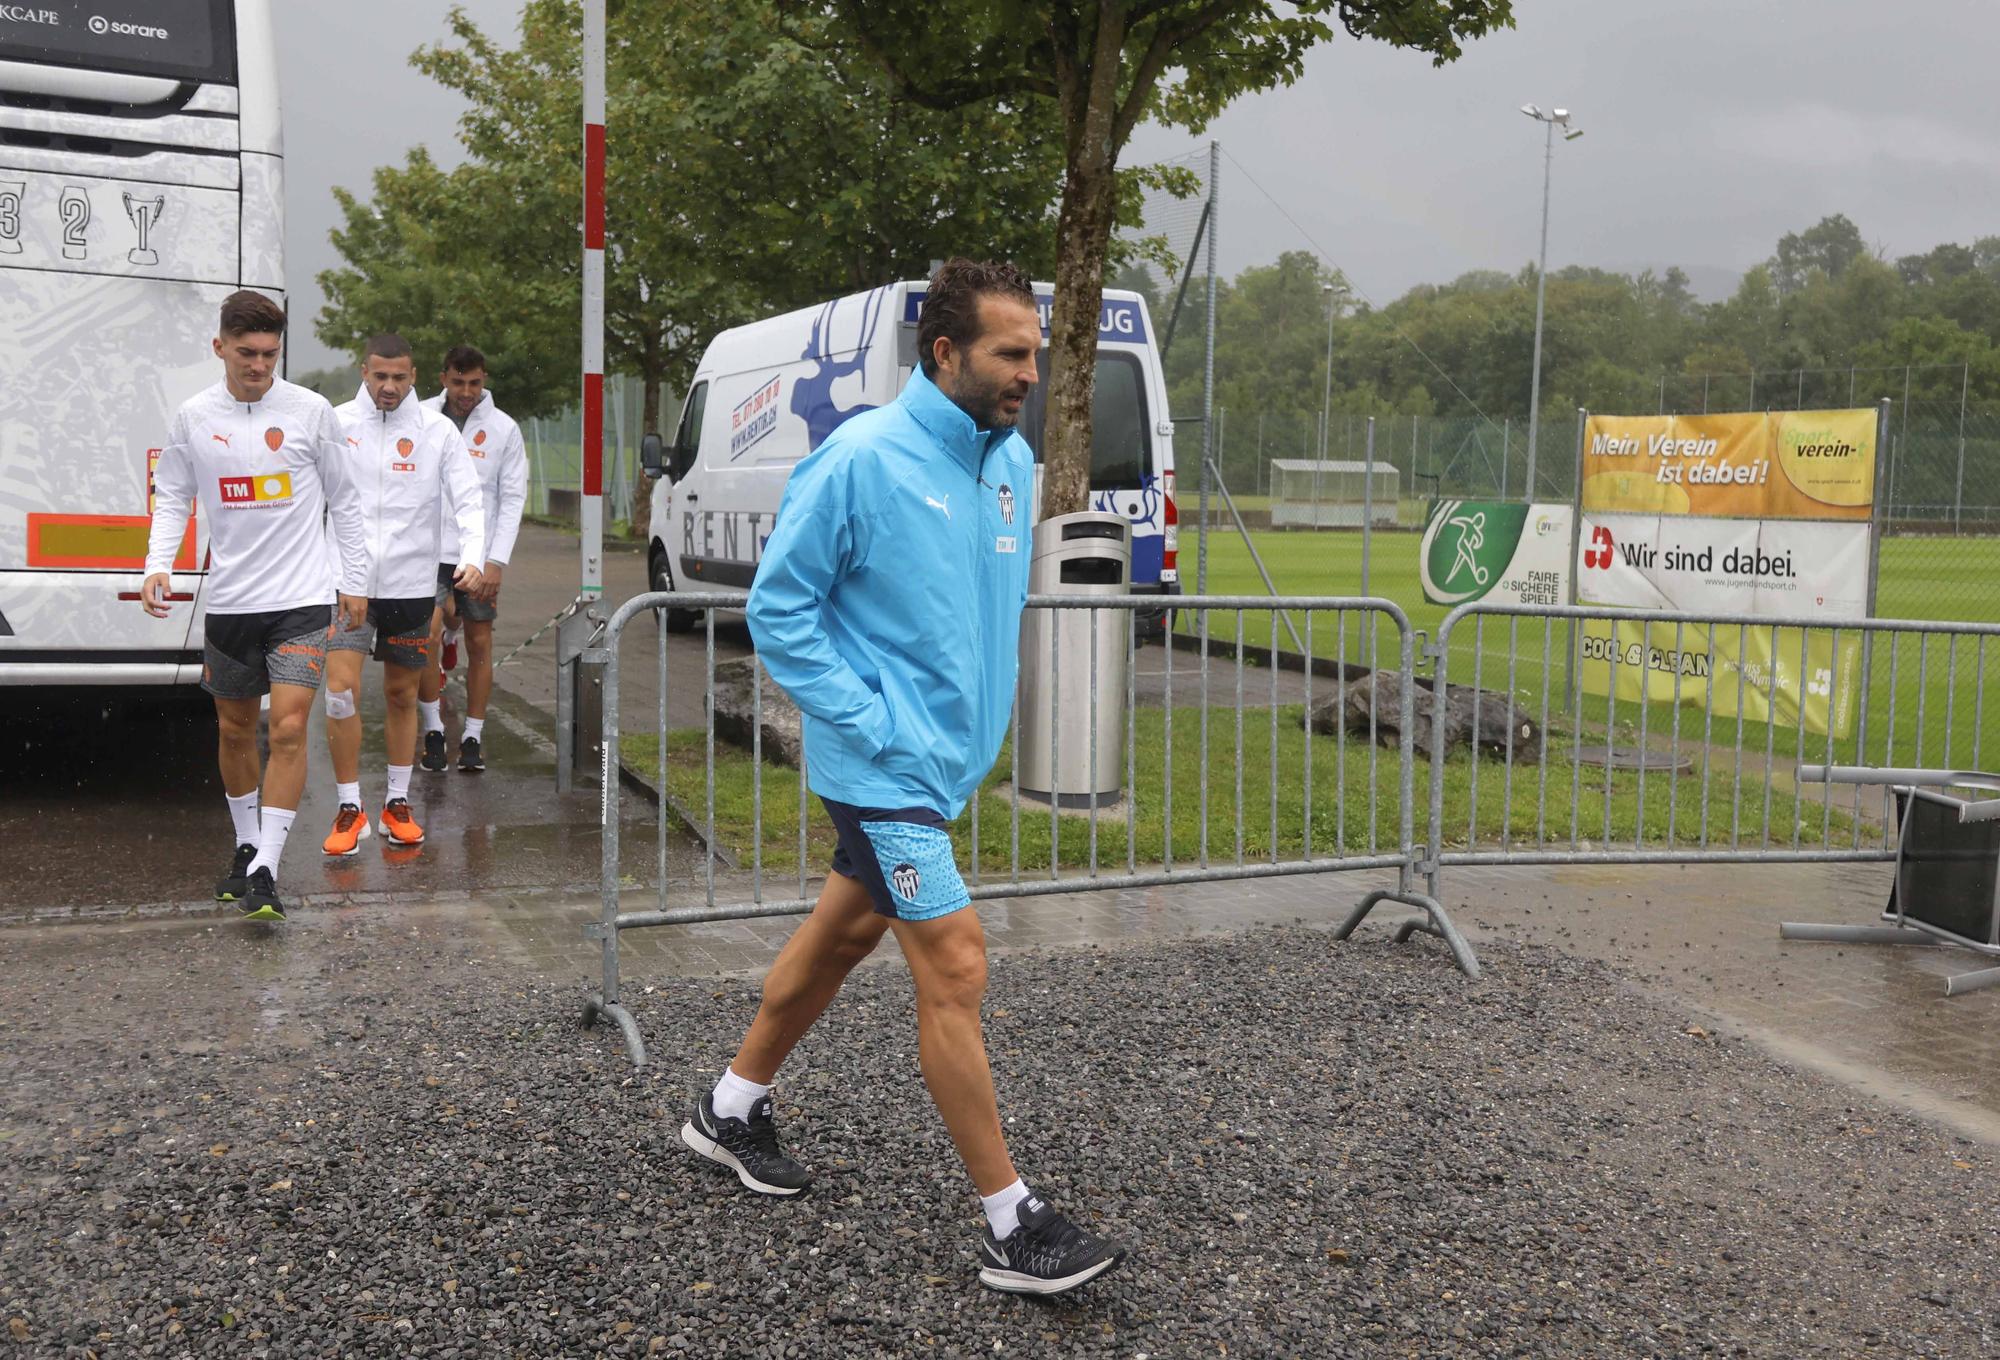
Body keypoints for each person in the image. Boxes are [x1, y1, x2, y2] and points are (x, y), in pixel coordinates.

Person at [682, 259, 1128, 1296]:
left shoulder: (1008, 460)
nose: (1029, 372)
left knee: (841, 935)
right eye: (1009, 353)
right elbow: (780, 610)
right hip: (881, 767)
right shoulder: (861, 458)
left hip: (938, 767)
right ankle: (1011, 1224)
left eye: (1034, 352)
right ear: (944, 353)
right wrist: (871, 719)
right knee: (956, 964)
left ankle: (729, 1108)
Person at [140, 291, 369, 922]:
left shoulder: (311, 411)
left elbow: (346, 502)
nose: (259, 365)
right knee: (236, 730)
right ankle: (245, 845)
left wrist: (354, 579)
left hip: (301, 600)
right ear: (220, 347)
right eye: (247, 352)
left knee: (289, 727)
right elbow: (173, 497)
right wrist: (158, 563)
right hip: (233, 602)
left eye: (270, 353)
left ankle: (267, 865)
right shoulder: (192, 416)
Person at [318, 335, 484, 857]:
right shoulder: (336, 423)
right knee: (341, 691)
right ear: (364, 372)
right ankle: (349, 807)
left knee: (401, 695)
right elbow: (308, 498)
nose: (388, 387)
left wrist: (474, 554)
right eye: (379, 376)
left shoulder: (436, 431)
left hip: (412, 589)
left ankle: (396, 802)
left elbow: (469, 496)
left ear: (415, 377)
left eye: (400, 378)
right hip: (349, 587)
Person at [415, 345, 527, 774]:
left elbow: (512, 498)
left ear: (484, 380)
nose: (466, 391)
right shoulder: (421, 417)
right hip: (426, 554)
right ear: (443, 377)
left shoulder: (504, 429)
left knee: (479, 643)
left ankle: (474, 736)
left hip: (477, 556)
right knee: (426, 635)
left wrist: (497, 560)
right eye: (458, 382)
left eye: (475, 383)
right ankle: (434, 733)